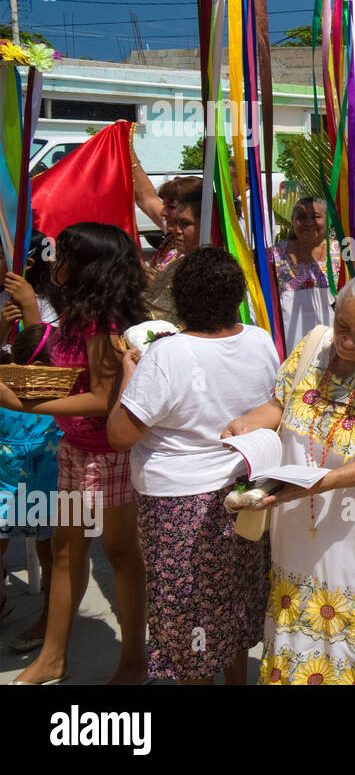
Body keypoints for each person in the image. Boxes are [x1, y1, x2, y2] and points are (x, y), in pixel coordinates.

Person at [224, 272, 355, 685]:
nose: (348, 341)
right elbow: (278, 405)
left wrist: (322, 481)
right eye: (343, 326)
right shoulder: (312, 348)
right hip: (301, 534)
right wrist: (245, 425)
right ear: (334, 311)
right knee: (298, 642)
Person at [105, 247, 279, 684]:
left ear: (180, 300)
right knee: (234, 603)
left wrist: (128, 373)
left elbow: (120, 435)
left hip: (179, 503)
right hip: (244, 491)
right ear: (236, 296)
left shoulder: (168, 354)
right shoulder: (259, 340)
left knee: (190, 615)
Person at [0, 222, 149, 685]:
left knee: (121, 554)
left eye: (62, 255)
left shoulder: (103, 324)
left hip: (108, 455)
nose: (53, 262)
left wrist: (27, 403)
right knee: (66, 554)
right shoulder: (78, 315)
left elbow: (105, 400)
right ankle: (52, 658)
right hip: (75, 451)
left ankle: (134, 660)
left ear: (86, 266)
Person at [0, 324, 63, 655]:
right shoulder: (5, 390)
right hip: (6, 484)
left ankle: (51, 620)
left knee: (51, 552)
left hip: (50, 487)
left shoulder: (64, 398)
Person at [271, 196, 344, 350]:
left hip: (333, 345)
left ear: (328, 220)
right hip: (289, 344)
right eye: (301, 217)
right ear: (292, 221)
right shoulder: (275, 254)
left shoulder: (343, 252)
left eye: (316, 216)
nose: (309, 222)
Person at [144, 186, 203, 325]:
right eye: (177, 223)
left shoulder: (213, 271)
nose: (177, 230)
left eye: (185, 224)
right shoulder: (178, 262)